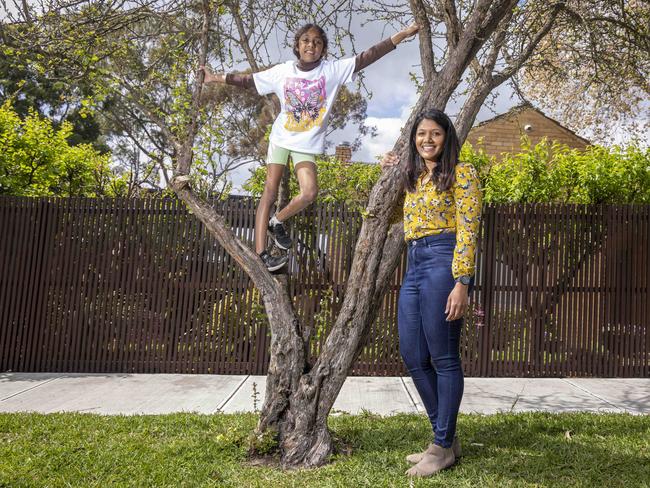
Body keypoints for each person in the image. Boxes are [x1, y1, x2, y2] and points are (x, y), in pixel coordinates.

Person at [201, 22, 419, 271]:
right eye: (306, 40)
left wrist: (401, 35)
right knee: (270, 192)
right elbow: (247, 80)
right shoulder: (283, 71)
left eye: (317, 42)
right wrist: (214, 78)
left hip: (306, 145)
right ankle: (261, 253)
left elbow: (367, 56)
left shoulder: (332, 70)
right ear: (297, 45)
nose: (311, 45)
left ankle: (276, 222)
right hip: (281, 139)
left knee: (309, 192)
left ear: (323, 48)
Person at [381, 108, 481, 477]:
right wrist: (389, 175)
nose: (427, 140)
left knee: (443, 356)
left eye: (435, 133)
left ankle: (441, 448)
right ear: (414, 139)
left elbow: (469, 229)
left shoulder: (462, 173)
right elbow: (391, 217)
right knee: (413, 354)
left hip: (443, 260)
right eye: (421, 134)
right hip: (414, 262)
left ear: (446, 137)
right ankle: (447, 437)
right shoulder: (413, 178)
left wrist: (462, 282)